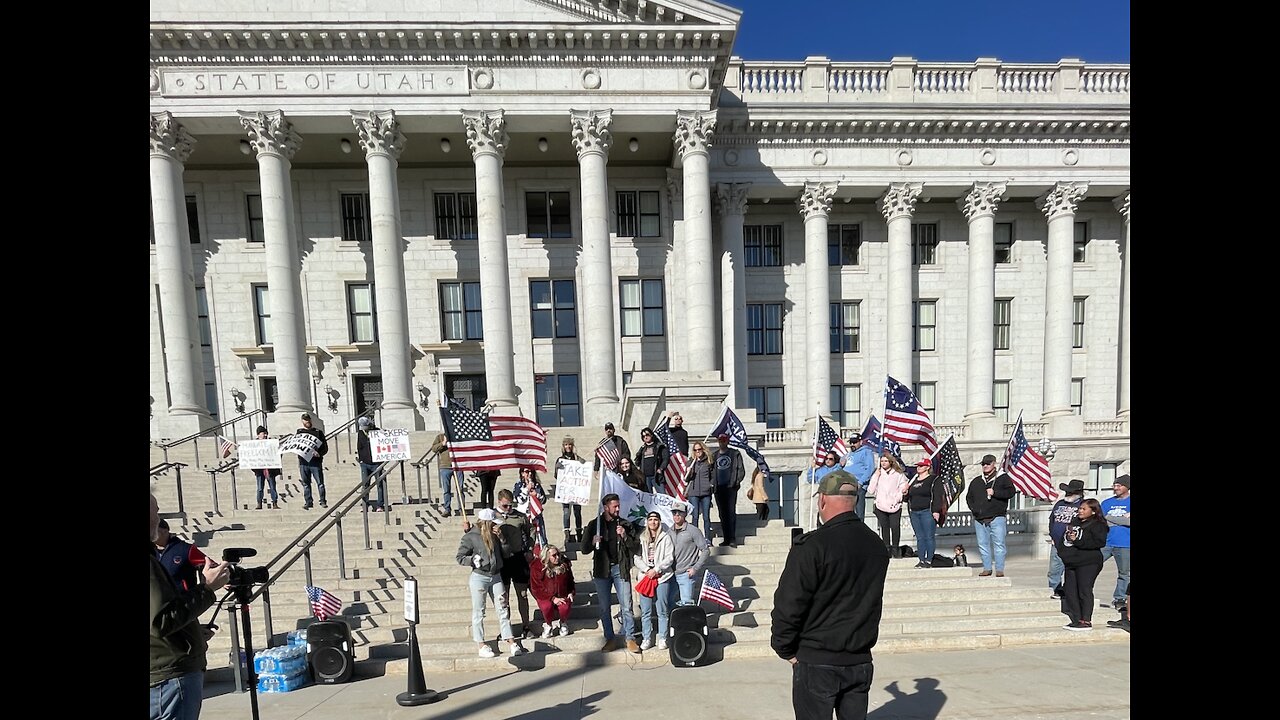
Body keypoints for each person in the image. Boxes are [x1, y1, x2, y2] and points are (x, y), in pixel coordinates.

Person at [771, 471, 890, 720]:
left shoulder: (813, 545)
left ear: (822, 499)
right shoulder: (876, 544)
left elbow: (790, 603)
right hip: (858, 660)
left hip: (818, 660)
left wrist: (785, 649)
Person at [150, 493, 230, 720]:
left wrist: (191, 631)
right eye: (155, 512)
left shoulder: (183, 549)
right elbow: (160, 621)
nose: (158, 518)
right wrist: (207, 589)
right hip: (168, 673)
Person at [455, 507, 526, 657]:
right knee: (479, 611)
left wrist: (502, 539)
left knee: (503, 608)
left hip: (496, 575)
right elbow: (460, 557)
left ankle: (511, 641)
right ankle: (481, 644)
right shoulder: (471, 537)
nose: (496, 526)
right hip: (479, 577)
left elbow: (507, 554)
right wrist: (472, 560)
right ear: (487, 523)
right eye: (493, 523)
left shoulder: (496, 535)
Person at [580, 493, 641, 653]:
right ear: (606, 507)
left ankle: (630, 638)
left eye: (618, 505)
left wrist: (625, 536)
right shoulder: (595, 524)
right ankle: (610, 638)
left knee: (626, 606)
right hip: (602, 571)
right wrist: (593, 542)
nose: (618, 509)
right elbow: (584, 548)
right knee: (604, 607)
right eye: (615, 506)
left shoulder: (625, 524)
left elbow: (636, 547)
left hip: (620, 569)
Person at [1055, 497, 1109, 631]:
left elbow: (1098, 543)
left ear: (1093, 511)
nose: (1080, 511)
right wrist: (1063, 553)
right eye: (1080, 508)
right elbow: (1064, 540)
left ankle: (1086, 620)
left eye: (1084, 509)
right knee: (1070, 590)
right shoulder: (1074, 522)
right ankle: (1076, 618)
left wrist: (1077, 541)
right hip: (1071, 562)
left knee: (1084, 590)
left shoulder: (1098, 525)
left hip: (1089, 562)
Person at [965, 453, 1017, 577]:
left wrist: (995, 493)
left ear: (994, 464)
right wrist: (974, 509)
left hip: (997, 517)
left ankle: (999, 569)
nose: (985, 466)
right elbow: (969, 497)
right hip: (979, 518)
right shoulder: (976, 481)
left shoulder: (1003, 478)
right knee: (983, 545)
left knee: (999, 544)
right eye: (983, 464)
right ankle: (987, 568)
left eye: (988, 463)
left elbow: (1011, 492)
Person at [495, 489, 535, 639]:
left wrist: (529, 548)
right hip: (501, 561)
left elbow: (531, 530)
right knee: (503, 596)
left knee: (522, 594)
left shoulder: (519, 516)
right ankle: (506, 628)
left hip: (518, 558)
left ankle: (526, 626)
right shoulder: (492, 517)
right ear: (499, 502)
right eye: (505, 506)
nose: (509, 509)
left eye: (511, 505)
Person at [634, 511, 675, 651]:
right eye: (650, 519)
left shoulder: (666, 537)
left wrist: (656, 569)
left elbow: (669, 558)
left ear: (659, 521)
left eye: (656, 520)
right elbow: (636, 557)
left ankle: (662, 637)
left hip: (662, 577)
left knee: (662, 610)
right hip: (646, 577)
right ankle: (647, 638)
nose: (653, 522)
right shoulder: (641, 538)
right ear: (647, 522)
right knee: (645, 611)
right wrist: (647, 570)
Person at [1046, 479, 1085, 599]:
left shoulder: (1083, 506)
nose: (1067, 494)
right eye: (1067, 492)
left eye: (1070, 492)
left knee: (1071, 570)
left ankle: (1071, 591)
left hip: (1073, 544)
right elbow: (1052, 519)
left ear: (1078, 493)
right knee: (1054, 569)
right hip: (1057, 543)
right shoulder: (1059, 503)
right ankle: (1056, 589)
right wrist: (1052, 535)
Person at [667, 500, 709, 607]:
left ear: (685, 514)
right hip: (671, 574)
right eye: (674, 512)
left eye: (679, 512)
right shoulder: (668, 531)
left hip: (686, 574)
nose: (677, 515)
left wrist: (695, 568)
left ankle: (688, 624)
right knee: (669, 602)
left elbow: (705, 550)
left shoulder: (693, 530)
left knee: (687, 605)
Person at [905, 458, 945, 568]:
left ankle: (929, 560)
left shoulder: (934, 479)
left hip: (927, 511)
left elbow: (938, 496)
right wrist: (905, 492)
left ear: (928, 467)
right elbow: (906, 498)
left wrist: (936, 510)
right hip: (914, 512)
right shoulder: (913, 481)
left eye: (922, 466)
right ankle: (921, 559)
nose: (919, 467)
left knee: (929, 536)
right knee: (920, 537)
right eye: (918, 465)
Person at [867, 453, 909, 557]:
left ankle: (895, 548)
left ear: (890, 462)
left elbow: (903, 488)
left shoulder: (898, 474)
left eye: (885, 461)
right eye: (882, 461)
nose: (883, 463)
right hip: (881, 505)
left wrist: (897, 498)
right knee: (884, 527)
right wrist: (876, 475)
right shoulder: (878, 473)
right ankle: (886, 548)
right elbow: (871, 490)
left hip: (894, 505)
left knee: (895, 527)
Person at [529, 544, 576, 638]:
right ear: (547, 556)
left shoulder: (564, 564)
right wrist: (552, 598)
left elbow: (570, 581)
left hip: (562, 594)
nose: (557, 557)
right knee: (546, 606)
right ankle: (548, 624)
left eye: (558, 554)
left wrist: (571, 592)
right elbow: (536, 588)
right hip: (545, 595)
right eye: (554, 555)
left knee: (564, 606)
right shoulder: (537, 567)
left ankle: (563, 623)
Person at [1100, 474, 1131, 609]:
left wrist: (1111, 518)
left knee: (1124, 573)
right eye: (1114, 485)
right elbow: (1101, 521)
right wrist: (1122, 520)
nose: (1115, 488)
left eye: (1119, 485)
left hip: (1125, 543)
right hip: (1106, 542)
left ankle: (1120, 598)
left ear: (1127, 487)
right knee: (1090, 565)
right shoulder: (1106, 503)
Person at [153, 518, 208, 595]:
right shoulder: (151, 551)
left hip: (183, 601)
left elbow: (208, 564)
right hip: (156, 603)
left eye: (153, 529)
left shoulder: (185, 549)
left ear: (164, 531)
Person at [712, 433, 746, 547]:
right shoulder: (714, 455)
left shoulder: (735, 454)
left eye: (724, 440)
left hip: (730, 487)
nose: (722, 442)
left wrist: (736, 482)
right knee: (722, 514)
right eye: (720, 440)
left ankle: (732, 539)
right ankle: (726, 538)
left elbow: (741, 470)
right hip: (718, 488)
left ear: (728, 441)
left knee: (730, 513)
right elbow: (711, 471)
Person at [554, 436, 586, 544]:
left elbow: (585, 468)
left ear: (573, 446)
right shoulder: (560, 460)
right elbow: (556, 476)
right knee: (566, 513)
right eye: (566, 445)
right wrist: (558, 468)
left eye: (570, 444)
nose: (568, 446)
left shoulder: (577, 458)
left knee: (577, 512)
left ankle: (579, 532)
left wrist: (582, 461)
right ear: (563, 446)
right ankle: (567, 533)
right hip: (566, 491)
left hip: (576, 490)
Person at [295, 412, 329, 510]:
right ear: (302, 421)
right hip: (303, 462)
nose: (307, 421)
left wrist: (320, 454)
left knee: (320, 483)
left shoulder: (318, 432)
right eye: (305, 420)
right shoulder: (299, 432)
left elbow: (325, 447)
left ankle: (322, 501)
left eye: (308, 419)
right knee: (306, 484)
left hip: (315, 462)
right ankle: (308, 501)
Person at [841, 432, 877, 520]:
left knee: (859, 512)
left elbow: (870, 468)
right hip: (846, 485)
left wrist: (860, 482)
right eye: (851, 442)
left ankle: (859, 531)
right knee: (846, 512)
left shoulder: (866, 452)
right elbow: (841, 464)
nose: (852, 444)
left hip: (858, 485)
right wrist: (842, 462)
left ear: (860, 442)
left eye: (855, 442)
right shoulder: (849, 454)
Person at [512, 467, 549, 549]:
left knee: (541, 536)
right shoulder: (518, 485)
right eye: (527, 471)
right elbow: (518, 500)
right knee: (525, 537)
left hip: (536, 515)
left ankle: (542, 551)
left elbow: (543, 500)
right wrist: (526, 490)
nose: (530, 474)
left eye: (531, 471)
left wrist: (537, 495)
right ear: (522, 473)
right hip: (524, 516)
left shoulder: (537, 485)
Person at [684, 441, 715, 535]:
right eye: (695, 450)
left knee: (706, 517)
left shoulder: (708, 462)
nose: (698, 451)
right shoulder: (690, 462)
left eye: (699, 449)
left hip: (706, 492)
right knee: (695, 516)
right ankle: (694, 538)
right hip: (693, 493)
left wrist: (711, 485)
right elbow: (686, 479)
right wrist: (689, 471)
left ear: (703, 449)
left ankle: (708, 538)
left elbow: (713, 476)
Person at [356, 416, 385, 511]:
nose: (363, 428)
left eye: (364, 426)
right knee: (365, 485)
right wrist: (360, 459)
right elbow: (359, 446)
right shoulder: (360, 433)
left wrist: (383, 432)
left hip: (376, 462)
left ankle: (380, 504)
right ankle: (365, 503)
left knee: (380, 484)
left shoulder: (377, 431)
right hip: (365, 462)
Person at [251, 425, 280, 510]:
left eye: (266, 434)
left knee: (272, 487)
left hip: (270, 469)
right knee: (260, 488)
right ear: (258, 435)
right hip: (259, 470)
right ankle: (259, 503)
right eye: (263, 433)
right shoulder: (253, 445)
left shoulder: (271, 443)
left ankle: (275, 503)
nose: (265, 435)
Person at [430, 432, 458, 517]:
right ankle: (447, 509)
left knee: (460, 489)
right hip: (445, 467)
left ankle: (461, 509)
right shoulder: (440, 436)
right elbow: (434, 448)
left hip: (457, 466)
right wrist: (443, 443)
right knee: (446, 490)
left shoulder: (456, 434)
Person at [634, 427, 669, 494]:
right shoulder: (642, 449)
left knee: (662, 496)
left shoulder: (659, 446)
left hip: (656, 476)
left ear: (651, 435)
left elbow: (666, 459)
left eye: (647, 435)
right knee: (648, 497)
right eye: (643, 436)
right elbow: (637, 462)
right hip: (645, 477)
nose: (645, 437)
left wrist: (661, 468)